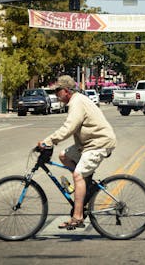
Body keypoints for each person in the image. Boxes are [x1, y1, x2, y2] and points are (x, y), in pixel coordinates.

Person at [37, 75, 117, 230]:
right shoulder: (76, 101)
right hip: (88, 144)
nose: (56, 95)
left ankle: (78, 217)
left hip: (99, 143)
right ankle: (85, 188)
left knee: (77, 175)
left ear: (66, 91)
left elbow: (69, 128)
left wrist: (48, 141)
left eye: (58, 91)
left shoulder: (77, 102)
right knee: (64, 156)